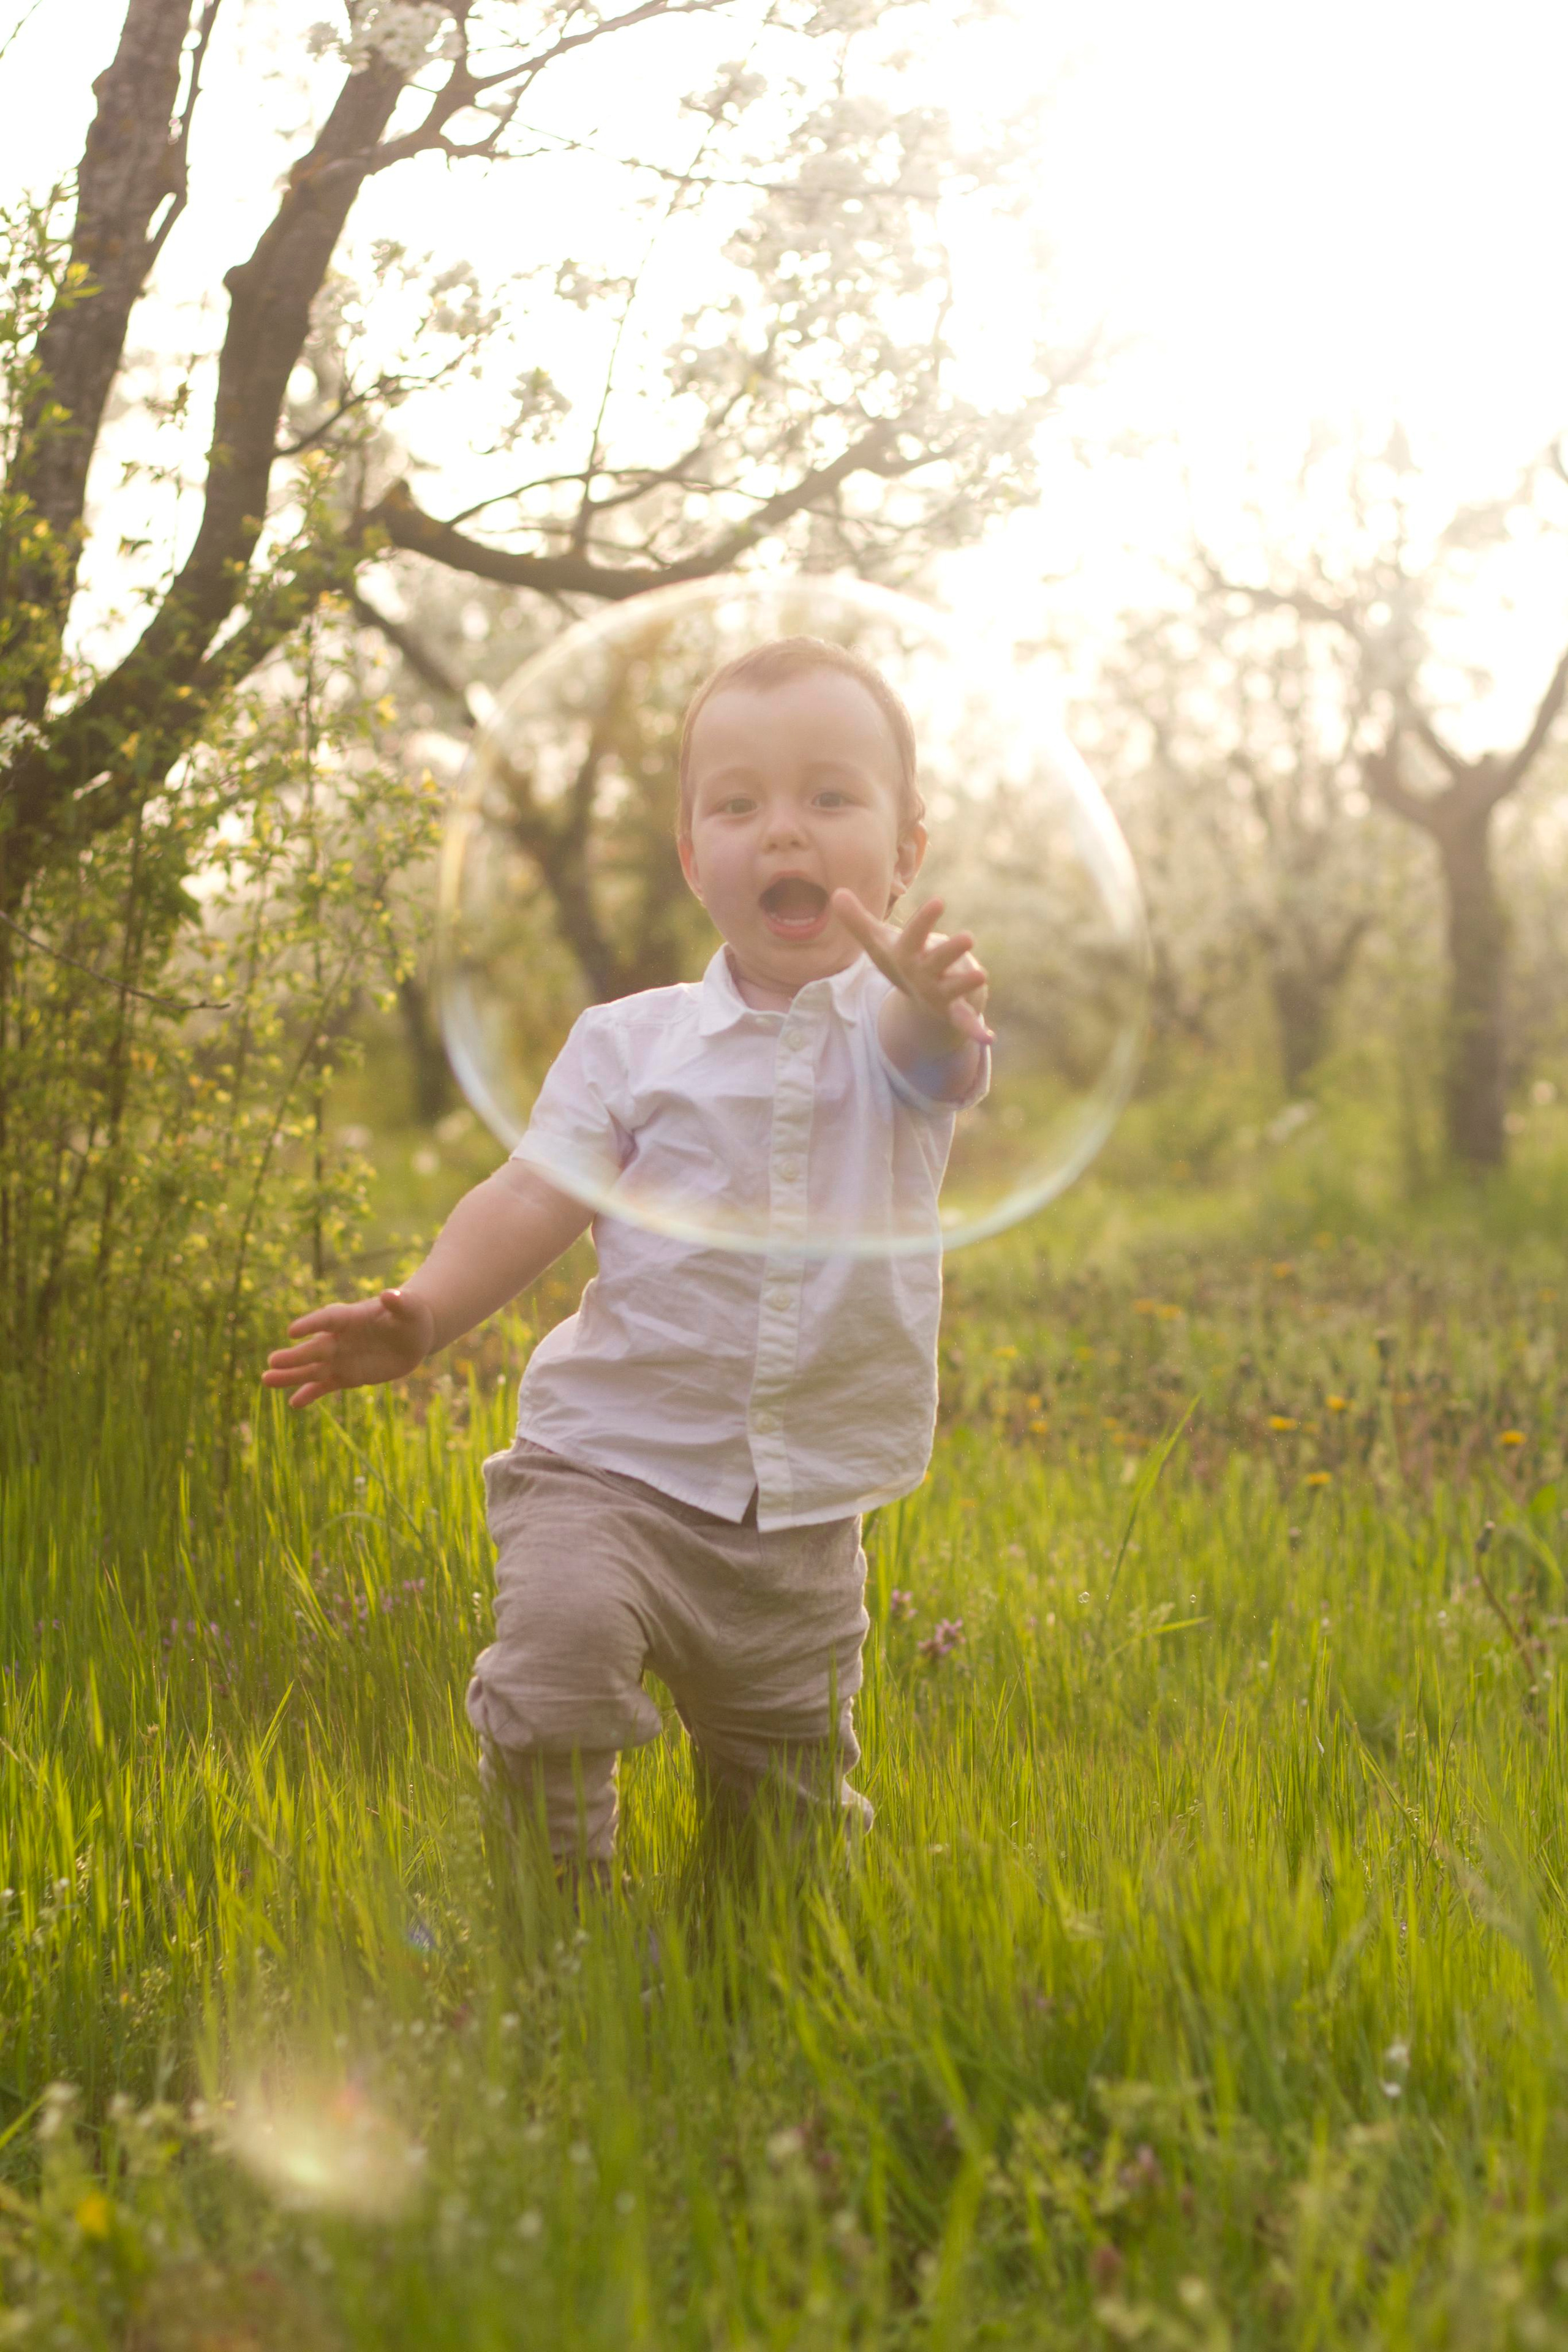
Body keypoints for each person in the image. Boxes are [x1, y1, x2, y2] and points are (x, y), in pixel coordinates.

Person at [263, 638, 990, 1873]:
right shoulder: (627, 1045)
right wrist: (425, 1311)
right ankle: (561, 1945)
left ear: (905, 848)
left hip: (802, 1509)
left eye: (829, 796)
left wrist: (928, 1002)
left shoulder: (899, 1044)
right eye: (738, 803)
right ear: (690, 854)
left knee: (786, 1833)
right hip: (605, 1465)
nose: (783, 834)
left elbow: (943, 1064)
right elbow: (531, 1193)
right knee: (552, 1671)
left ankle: (749, 1964)